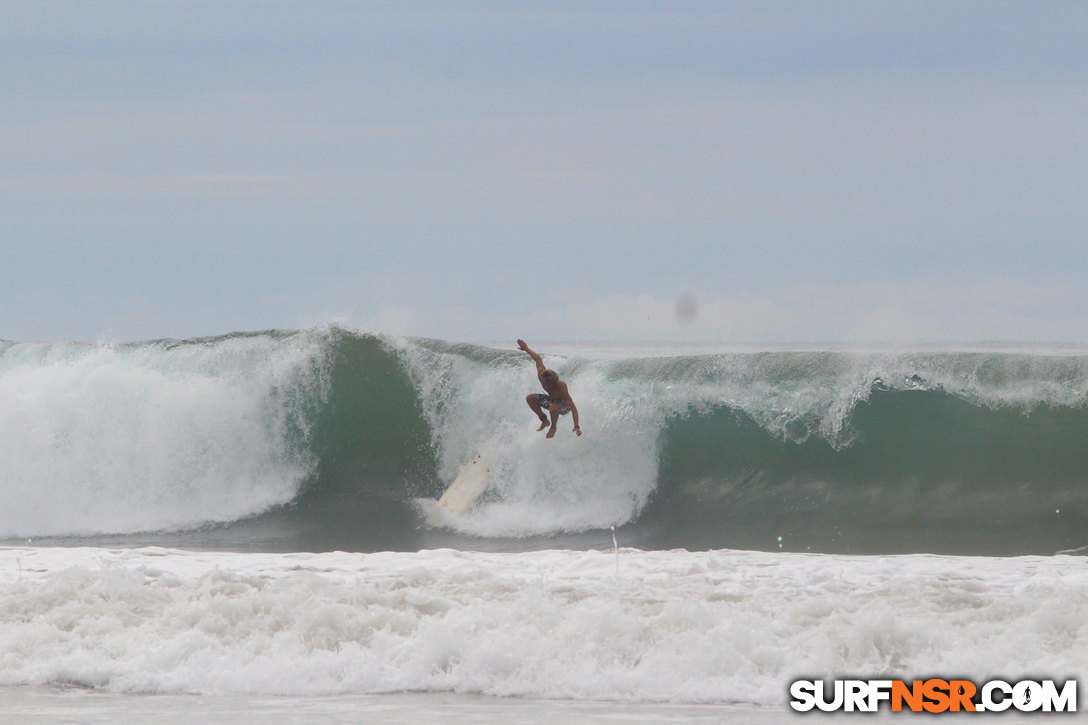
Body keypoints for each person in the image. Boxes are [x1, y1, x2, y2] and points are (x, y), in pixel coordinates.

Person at [517, 339, 581, 438]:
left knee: (553, 406)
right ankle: (544, 420)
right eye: (544, 382)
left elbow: (573, 408)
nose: (545, 385)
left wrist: (576, 426)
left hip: (563, 407)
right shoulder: (542, 375)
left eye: (548, 384)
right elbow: (538, 359)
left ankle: (553, 427)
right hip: (551, 401)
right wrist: (526, 349)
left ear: (553, 382)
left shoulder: (561, 387)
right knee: (530, 397)